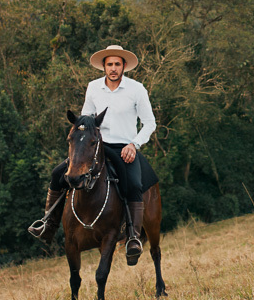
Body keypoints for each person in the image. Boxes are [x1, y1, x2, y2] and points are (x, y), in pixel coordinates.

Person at [28, 45, 157, 264]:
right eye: (110, 64)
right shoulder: (94, 87)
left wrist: (134, 145)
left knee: (134, 184)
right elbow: (87, 118)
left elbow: (149, 123)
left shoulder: (137, 89)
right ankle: (48, 224)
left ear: (124, 66)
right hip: (94, 146)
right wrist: (78, 133)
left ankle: (133, 238)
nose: (113, 68)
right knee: (58, 173)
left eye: (117, 64)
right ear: (104, 66)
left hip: (124, 148)